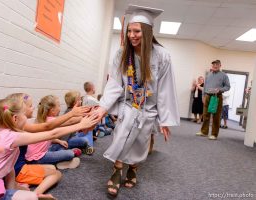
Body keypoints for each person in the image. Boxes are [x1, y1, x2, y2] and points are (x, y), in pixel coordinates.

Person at [93, 5, 180, 196]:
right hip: (128, 104)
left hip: (148, 108)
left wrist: (165, 120)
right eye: (130, 31)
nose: (132, 35)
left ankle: (133, 169)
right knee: (121, 137)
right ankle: (116, 171)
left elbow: (165, 89)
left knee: (140, 142)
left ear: (147, 32)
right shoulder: (122, 54)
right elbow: (115, 83)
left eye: (137, 31)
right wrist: (103, 107)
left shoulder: (162, 55)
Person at [0, 98, 98, 200]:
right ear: (15, 118)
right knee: (30, 196)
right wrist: (80, 125)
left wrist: (12, 192)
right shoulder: (11, 137)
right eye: (25, 113)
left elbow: (9, 169)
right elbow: (51, 133)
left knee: (25, 191)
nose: (28, 116)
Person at [25, 95, 81, 168]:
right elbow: (70, 121)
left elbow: (46, 138)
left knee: (61, 145)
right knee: (70, 154)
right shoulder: (51, 120)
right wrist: (88, 116)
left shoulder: (41, 119)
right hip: (37, 158)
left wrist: (58, 141)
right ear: (52, 110)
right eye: (59, 106)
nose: (60, 108)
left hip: (43, 152)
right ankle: (57, 162)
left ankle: (57, 161)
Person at [196, 60, 230, 140]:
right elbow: (205, 87)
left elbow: (228, 87)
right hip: (207, 96)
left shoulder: (224, 75)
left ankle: (214, 134)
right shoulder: (208, 75)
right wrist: (203, 96)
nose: (215, 66)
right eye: (214, 64)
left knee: (216, 116)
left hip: (217, 96)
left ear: (220, 65)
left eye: (217, 64)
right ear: (212, 66)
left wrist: (220, 90)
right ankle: (204, 132)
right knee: (205, 115)